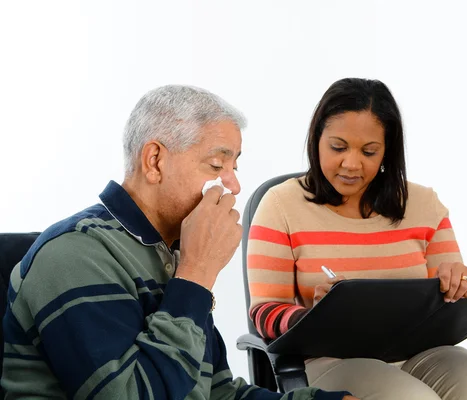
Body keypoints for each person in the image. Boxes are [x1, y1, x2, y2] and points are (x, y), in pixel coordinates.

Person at [2, 85, 358, 400]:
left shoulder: (166, 255)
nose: (233, 186)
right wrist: (196, 274)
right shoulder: (74, 255)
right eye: (217, 165)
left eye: (235, 166)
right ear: (154, 161)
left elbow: (215, 392)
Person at [247, 78, 467, 400]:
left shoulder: (423, 204)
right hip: (331, 359)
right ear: (317, 140)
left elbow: (450, 290)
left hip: (424, 352)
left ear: (387, 151)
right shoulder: (281, 205)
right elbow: (264, 311)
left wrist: (460, 282)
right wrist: (316, 318)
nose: (352, 164)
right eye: (338, 147)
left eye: (369, 151)